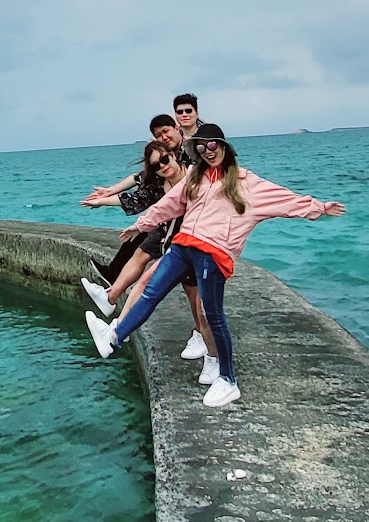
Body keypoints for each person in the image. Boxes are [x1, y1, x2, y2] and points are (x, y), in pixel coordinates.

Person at [84, 123, 347, 408]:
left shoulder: (246, 183)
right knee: (150, 293)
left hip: (213, 254)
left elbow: (284, 200)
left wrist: (319, 207)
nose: (207, 151)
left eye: (211, 145)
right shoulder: (195, 177)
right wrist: (141, 225)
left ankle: (228, 380)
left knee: (212, 316)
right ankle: (113, 338)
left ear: (222, 146)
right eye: (201, 147)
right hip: (182, 246)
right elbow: (169, 204)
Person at [80, 148, 215, 366]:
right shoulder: (161, 184)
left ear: (175, 156)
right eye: (156, 165)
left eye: (165, 160)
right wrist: (106, 201)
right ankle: (115, 329)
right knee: (148, 285)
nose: (163, 166)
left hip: (198, 246)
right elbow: (147, 200)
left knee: (201, 306)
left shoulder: (194, 176)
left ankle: (214, 359)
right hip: (179, 246)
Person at [84, 115, 182, 285]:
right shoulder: (160, 167)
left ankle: (113, 281)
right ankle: (113, 277)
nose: (164, 137)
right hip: (169, 220)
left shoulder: (189, 156)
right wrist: (108, 193)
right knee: (139, 233)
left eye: (166, 131)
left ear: (177, 128)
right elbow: (139, 184)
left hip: (186, 227)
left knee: (143, 246)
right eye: (158, 135)